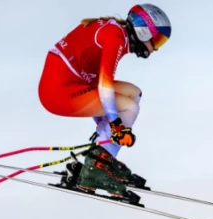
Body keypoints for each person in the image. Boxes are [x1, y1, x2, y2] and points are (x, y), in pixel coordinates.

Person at [38, 4, 172, 206]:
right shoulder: (115, 38)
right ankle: (96, 167)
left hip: (70, 83)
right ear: (143, 31)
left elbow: (99, 88)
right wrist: (116, 125)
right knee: (129, 107)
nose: (155, 48)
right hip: (58, 92)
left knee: (134, 94)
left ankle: (102, 157)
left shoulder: (117, 33)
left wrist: (110, 127)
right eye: (157, 40)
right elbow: (104, 86)